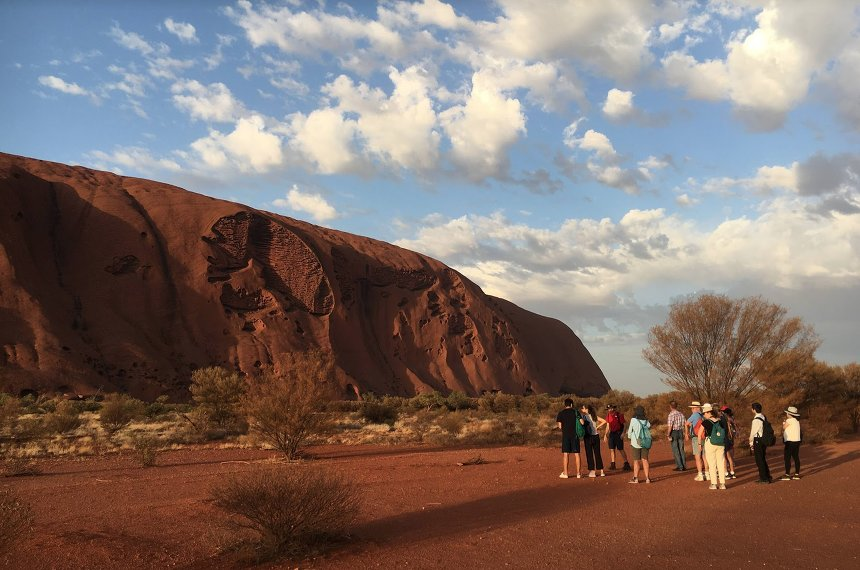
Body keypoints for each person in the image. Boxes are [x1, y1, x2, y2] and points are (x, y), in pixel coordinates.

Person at [701, 403, 728, 490]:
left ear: (709, 412)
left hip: (710, 443)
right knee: (720, 463)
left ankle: (714, 484)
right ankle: (722, 484)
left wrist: (699, 444)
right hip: (720, 443)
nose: (704, 415)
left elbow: (699, 433)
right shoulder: (720, 420)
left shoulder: (705, 422)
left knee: (712, 464)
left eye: (704, 413)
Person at [556, 398, 583, 478]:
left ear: (565, 405)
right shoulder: (576, 412)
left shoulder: (561, 413)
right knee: (577, 454)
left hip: (566, 436)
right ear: (571, 404)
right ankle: (578, 473)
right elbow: (582, 422)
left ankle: (566, 473)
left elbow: (560, 426)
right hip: (575, 435)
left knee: (566, 454)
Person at [626, 406, 652, 484]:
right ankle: (647, 478)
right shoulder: (646, 420)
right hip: (645, 442)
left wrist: (630, 437)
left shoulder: (633, 420)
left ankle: (636, 478)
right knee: (645, 459)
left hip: (635, 443)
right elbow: (649, 427)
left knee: (636, 460)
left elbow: (629, 432)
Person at [749, 402, 773, 483]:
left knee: (759, 460)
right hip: (763, 439)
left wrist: (750, 440)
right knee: (762, 458)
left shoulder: (756, 420)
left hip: (758, 440)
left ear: (754, 409)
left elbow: (753, 432)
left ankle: (764, 478)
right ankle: (767, 476)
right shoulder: (763, 416)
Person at [580, 404, 606, 477]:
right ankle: (601, 471)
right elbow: (604, 421)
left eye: (583, 408)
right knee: (597, 453)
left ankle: (592, 472)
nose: (582, 410)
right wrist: (597, 427)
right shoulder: (594, 416)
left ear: (586, 409)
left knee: (589, 454)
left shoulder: (584, 417)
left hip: (588, 437)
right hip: (596, 436)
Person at [603, 404, 631, 471]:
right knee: (612, 449)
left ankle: (626, 463)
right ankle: (613, 464)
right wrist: (605, 435)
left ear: (613, 408)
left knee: (621, 449)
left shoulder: (619, 415)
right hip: (612, 434)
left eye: (611, 408)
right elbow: (607, 426)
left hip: (619, 433)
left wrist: (623, 433)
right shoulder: (608, 416)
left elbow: (625, 425)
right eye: (608, 409)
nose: (610, 410)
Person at [686, 401, 708, 481]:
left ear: (695, 408)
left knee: (698, 456)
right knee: (704, 456)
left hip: (696, 437)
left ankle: (700, 474)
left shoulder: (694, 415)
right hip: (704, 437)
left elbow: (686, 423)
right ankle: (707, 473)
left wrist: (687, 432)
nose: (691, 409)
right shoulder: (703, 415)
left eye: (692, 408)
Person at [780, 406, 802, 481]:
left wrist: (783, 423)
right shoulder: (797, 421)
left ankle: (787, 474)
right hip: (797, 441)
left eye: (787, 413)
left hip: (790, 442)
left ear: (789, 414)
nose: (786, 414)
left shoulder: (789, 420)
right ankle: (797, 474)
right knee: (796, 457)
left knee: (787, 458)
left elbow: (784, 427)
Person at [666, 400, 686, 471]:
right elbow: (684, 424)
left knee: (675, 450)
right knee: (681, 449)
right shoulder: (681, 414)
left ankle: (680, 466)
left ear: (670, 406)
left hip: (673, 432)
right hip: (680, 431)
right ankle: (683, 465)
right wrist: (684, 432)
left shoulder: (671, 415)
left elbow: (670, 426)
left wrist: (668, 434)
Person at [721, 406, 738, 479]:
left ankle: (726, 472)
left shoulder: (724, 419)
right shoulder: (732, 419)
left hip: (725, 439)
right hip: (730, 438)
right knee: (729, 456)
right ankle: (732, 472)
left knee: (724, 457)